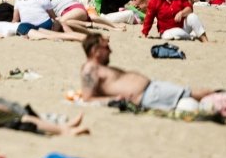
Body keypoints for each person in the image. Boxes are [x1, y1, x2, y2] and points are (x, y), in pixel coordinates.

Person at [79, 33, 216, 111]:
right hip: (148, 95)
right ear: (95, 50)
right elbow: (88, 98)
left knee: (196, 96)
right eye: (106, 47)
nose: (110, 50)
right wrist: (113, 100)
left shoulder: (97, 68)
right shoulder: (90, 69)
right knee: (198, 93)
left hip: (151, 91)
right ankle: (223, 96)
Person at [141, 0, 207, 41]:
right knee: (170, 35)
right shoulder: (155, 0)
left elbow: (189, 9)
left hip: (183, 26)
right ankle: (191, 36)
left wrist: (181, 13)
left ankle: (205, 40)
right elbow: (149, 18)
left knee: (192, 16)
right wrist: (144, 33)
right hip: (166, 31)